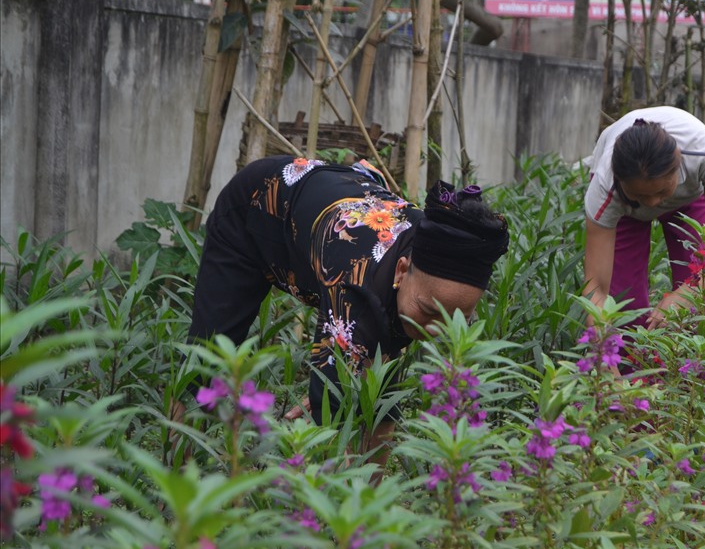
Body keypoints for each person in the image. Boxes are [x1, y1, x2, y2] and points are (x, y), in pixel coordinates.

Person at [183, 155, 509, 457]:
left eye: (460, 319)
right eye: (428, 310)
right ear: (402, 270)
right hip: (257, 209)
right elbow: (333, 408)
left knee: (373, 378)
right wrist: (335, 380)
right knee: (206, 359)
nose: (440, 329)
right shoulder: (355, 274)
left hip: (337, 203)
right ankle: (177, 470)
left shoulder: (431, 249)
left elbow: (379, 386)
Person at [582, 106, 705, 331]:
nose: (653, 203)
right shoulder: (604, 189)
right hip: (627, 213)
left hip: (687, 201)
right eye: (640, 195)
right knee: (624, 309)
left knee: (704, 296)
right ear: (619, 180)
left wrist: (692, 290)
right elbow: (596, 289)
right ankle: (630, 364)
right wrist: (601, 352)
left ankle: (689, 363)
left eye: (662, 192)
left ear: (679, 165)